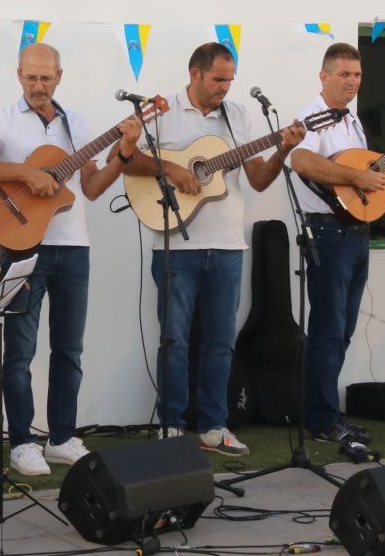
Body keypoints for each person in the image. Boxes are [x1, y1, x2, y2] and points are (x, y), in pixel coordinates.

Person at [0, 43, 139, 477]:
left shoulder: (77, 123)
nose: (38, 85)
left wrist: (125, 152)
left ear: (60, 77)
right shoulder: (3, 119)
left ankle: (61, 438)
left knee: (69, 349)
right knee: (20, 351)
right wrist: (25, 172)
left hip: (74, 247)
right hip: (24, 245)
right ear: (19, 74)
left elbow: (91, 187)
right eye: (31, 77)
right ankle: (22, 442)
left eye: (46, 77)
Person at [121, 42, 303, 456]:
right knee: (174, 341)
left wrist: (284, 149)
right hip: (175, 244)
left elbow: (257, 180)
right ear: (195, 74)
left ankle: (213, 426)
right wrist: (172, 168)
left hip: (228, 245)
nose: (225, 87)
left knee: (220, 343)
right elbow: (128, 161)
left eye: (229, 80)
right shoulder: (162, 112)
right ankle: (170, 425)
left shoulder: (237, 115)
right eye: (219, 79)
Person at [289, 42, 385, 446]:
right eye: (344, 74)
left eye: (357, 75)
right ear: (324, 76)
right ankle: (321, 419)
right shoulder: (312, 118)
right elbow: (300, 161)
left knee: (344, 329)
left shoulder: (353, 121)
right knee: (328, 329)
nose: (352, 81)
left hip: (356, 231)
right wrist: (355, 177)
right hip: (328, 232)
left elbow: (371, 172)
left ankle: (326, 412)